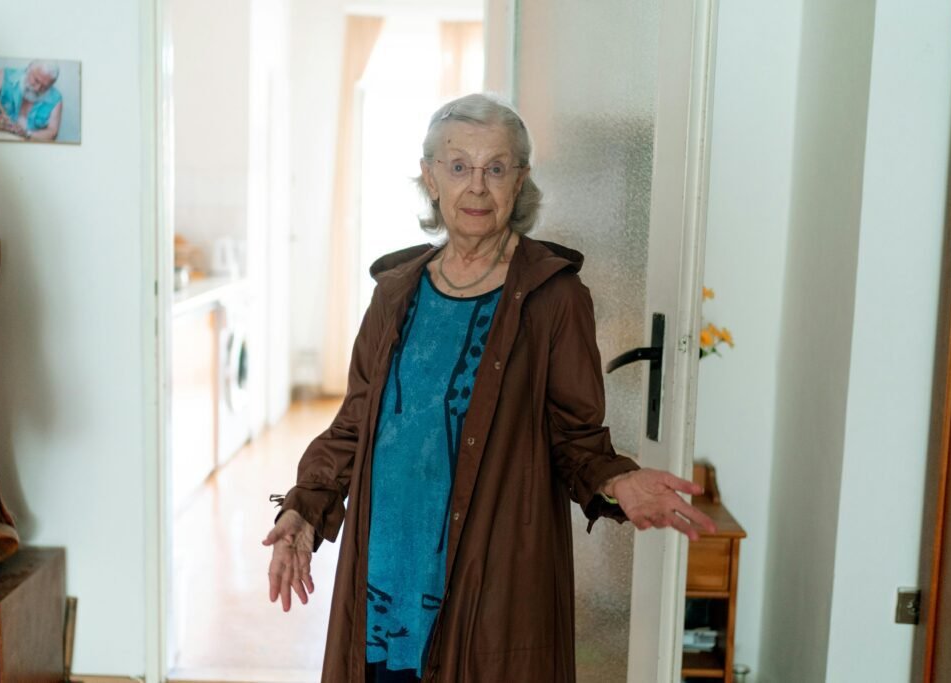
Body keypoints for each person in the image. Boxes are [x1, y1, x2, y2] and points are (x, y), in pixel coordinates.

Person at [263, 93, 716, 683]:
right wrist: (305, 507)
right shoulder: (395, 292)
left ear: (519, 180)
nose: (476, 187)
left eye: (496, 168)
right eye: (458, 167)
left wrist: (615, 479)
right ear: (430, 179)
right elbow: (355, 425)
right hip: (385, 576)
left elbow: (574, 438)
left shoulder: (555, 298)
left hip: (491, 579)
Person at [0, 60, 63, 141]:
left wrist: (27, 134)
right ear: (29, 68)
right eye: (36, 80)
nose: (37, 88)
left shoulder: (56, 98)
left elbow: (52, 133)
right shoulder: (6, 75)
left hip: (29, 146)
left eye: (45, 87)